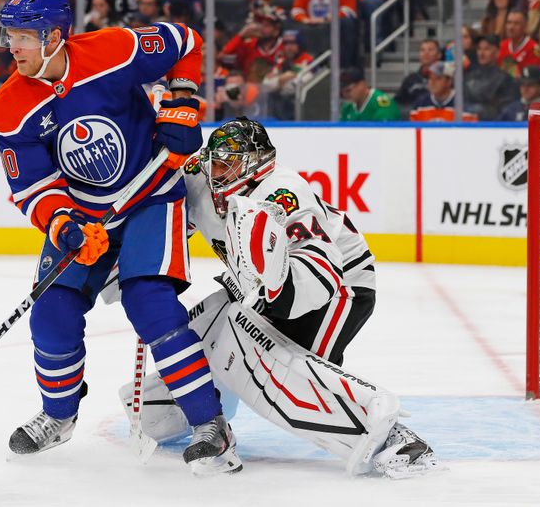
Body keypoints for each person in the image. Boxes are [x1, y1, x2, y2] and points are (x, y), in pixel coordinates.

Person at [0, 0, 241, 476]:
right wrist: (64, 225)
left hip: (152, 196)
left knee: (152, 306)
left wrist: (182, 101)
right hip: (84, 215)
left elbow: (186, 42)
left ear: (55, 36)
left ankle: (211, 424)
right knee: (52, 314)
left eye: (23, 36)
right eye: (9, 35)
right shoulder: (9, 105)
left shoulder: (113, 50)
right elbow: (33, 187)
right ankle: (58, 416)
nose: (12, 46)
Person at [116, 118, 440, 479]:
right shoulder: (202, 172)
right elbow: (163, 205)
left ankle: (392, 436)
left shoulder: (282, 194)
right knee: (207, 327)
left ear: (256, 162)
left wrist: (273, 302)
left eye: (230, 162)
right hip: (266, 289)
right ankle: (187, 411)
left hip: (338, 286)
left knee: (282, 369)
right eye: (215, 160)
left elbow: (320, 269)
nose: (217, 171)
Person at [463, 35, 518, 121]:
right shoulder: (469, 76)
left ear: (497, 52)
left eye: (487, 49)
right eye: (479, 49)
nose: (481, 53)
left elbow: (506, 111)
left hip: (493, 127)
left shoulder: (505, 79)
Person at [409, 61, 478, 122]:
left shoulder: (463, 106)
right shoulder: (419, 105)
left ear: (449, 81)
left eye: (437, 78)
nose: (432, 82)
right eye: (430, 78)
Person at [395, 38, 441, 116]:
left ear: (439, 55)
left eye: (430, 50)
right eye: (422, 50)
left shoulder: (445, 79)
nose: (426, 53)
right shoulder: (410, 80)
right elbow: (398, 103)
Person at [498, 9, 540, 78]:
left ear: (525, 26)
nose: (511, 27)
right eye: (509, 22)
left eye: (516, 23)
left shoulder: (534, 49)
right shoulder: (501, 45)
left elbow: (533, 77)